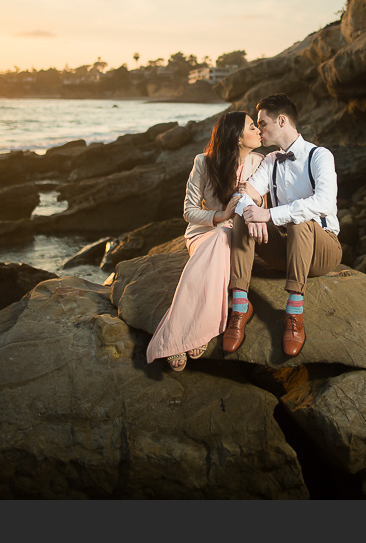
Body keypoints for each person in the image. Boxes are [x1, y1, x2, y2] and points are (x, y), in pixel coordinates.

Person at [224, 93, 343, 358]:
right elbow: (242, 194)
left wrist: (269, 215)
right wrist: (251, 212)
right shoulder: (270, 160)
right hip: (284, 251)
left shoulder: (319, 156)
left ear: (281, 121)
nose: (259, 130)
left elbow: (323, 202)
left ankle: (294, 312)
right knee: (244, 213)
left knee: (299, 220)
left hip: (321, 249)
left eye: (262, 123)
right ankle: (240, 307)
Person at [145, 111, 264, 371]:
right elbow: (189, 211)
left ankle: (183, 334)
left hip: (241, 235)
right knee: (221, 235)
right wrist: (221, 215)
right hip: (204, 232)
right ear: (237, 137)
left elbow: (269, 203)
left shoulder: (261, 162)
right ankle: (199, 329)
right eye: (252, 127)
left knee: (225, 236)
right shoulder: (204, 162)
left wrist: (253, 199)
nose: (259, 130)